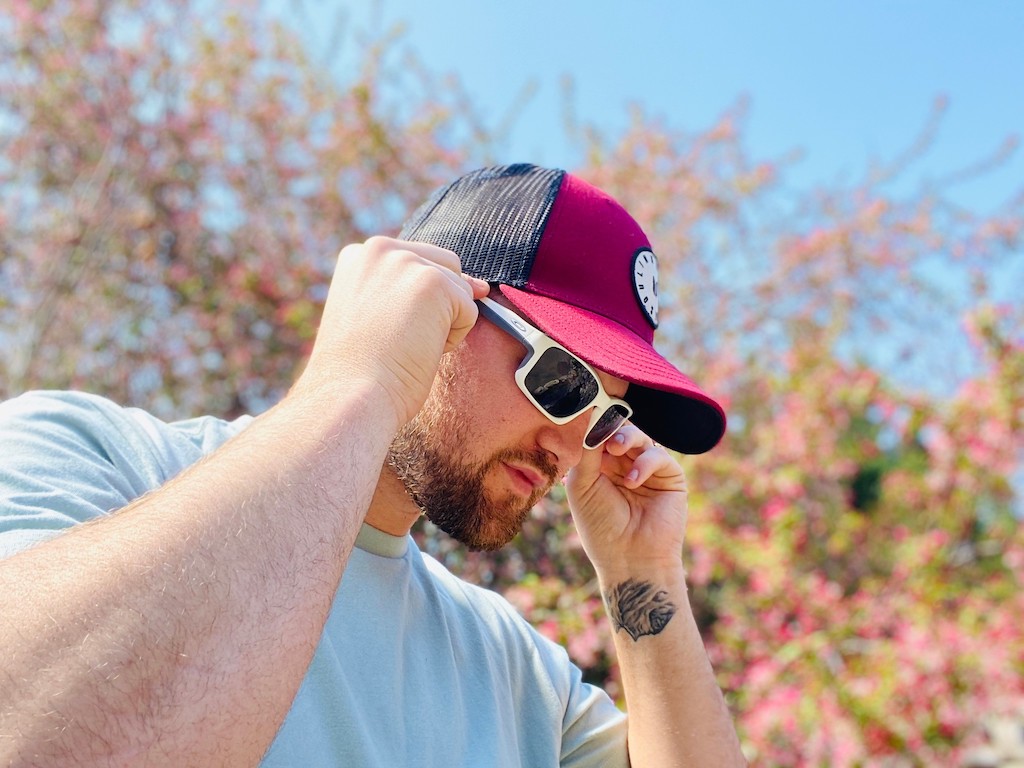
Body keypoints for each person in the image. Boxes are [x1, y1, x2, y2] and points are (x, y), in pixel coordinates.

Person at [0, 164, 746, 766]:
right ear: (436, 305)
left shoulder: (523, 681)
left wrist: (642, 574)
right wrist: (357, 383)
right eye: (564, 384)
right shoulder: (89, 456)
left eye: (606, 416)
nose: (572, 445)